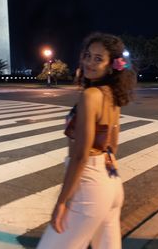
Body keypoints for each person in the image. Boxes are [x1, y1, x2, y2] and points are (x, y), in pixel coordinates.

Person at [36, 32, 136, 249]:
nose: (90, 62)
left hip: (89, 186)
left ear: (111, 66)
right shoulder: (112, 95)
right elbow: (113, 145)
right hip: (111, 181)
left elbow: (80, 156)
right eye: (88, 55)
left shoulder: (91, 96)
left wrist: (62, 201)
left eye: (98, 59)